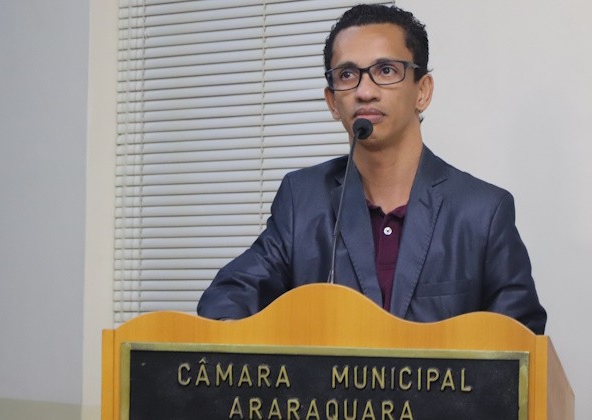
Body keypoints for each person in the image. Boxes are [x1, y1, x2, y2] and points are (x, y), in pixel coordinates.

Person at [197, 4, 546, 334]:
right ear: (332, 101)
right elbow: (227, 297)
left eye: (386, 71)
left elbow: (519, 344)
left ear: (422, 91)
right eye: (347, 74)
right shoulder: (302, 200)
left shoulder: (482, 212)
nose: (365, 91)